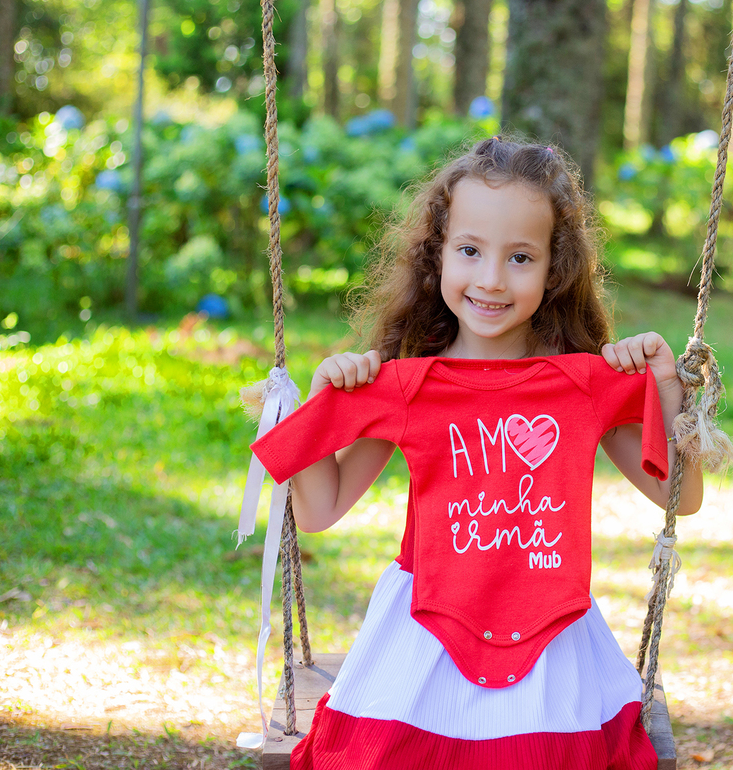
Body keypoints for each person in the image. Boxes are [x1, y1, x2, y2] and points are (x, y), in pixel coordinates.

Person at [250, 136, 703, 770]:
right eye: (469, 251)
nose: (491, 279)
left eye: (520, 257)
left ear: (554, 269)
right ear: (437, 256)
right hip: (426, 632)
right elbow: (319, 508)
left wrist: (665, 386)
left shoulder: (582, 382)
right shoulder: (408, 383)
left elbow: (680, 497)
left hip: (549, 635)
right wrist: (323, 398)